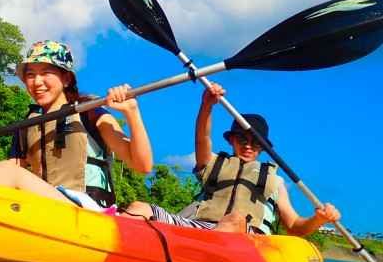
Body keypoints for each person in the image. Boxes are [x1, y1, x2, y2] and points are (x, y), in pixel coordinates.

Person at [0, 40, 153, 210]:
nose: (37, 82)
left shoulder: (90, 111)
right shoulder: (28, 124)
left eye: (46, 72)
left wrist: (132, 113)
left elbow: (142, 165)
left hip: (87, 210)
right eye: (30, 75)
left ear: (66, 78)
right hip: (46, 208)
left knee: (10, 171)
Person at [123, 82, 341, 235]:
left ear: (263, 148)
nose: (248, 145)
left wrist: (319, 219)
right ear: (231, 140)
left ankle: (202, 254)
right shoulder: (214, 162)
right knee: (139, 206)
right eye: (242, 139)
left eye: (255, 142)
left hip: (242, 236)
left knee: (235, 218)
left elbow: (293, 225)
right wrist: (207, 105)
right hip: (197, 228)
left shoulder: (276, 181)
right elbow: (202, 138)